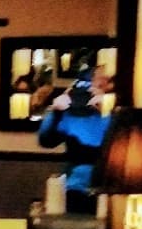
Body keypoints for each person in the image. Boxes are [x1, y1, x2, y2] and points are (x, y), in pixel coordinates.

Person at [37, 67, 112, 213]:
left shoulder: (116, 112)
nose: (102, 85)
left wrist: (107, 110)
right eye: (98, 80)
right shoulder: (72, 112)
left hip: (109, 188)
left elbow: (116, 141)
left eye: (107, 82)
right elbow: (46, 140)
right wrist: (56, 111)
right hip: (75, 188)